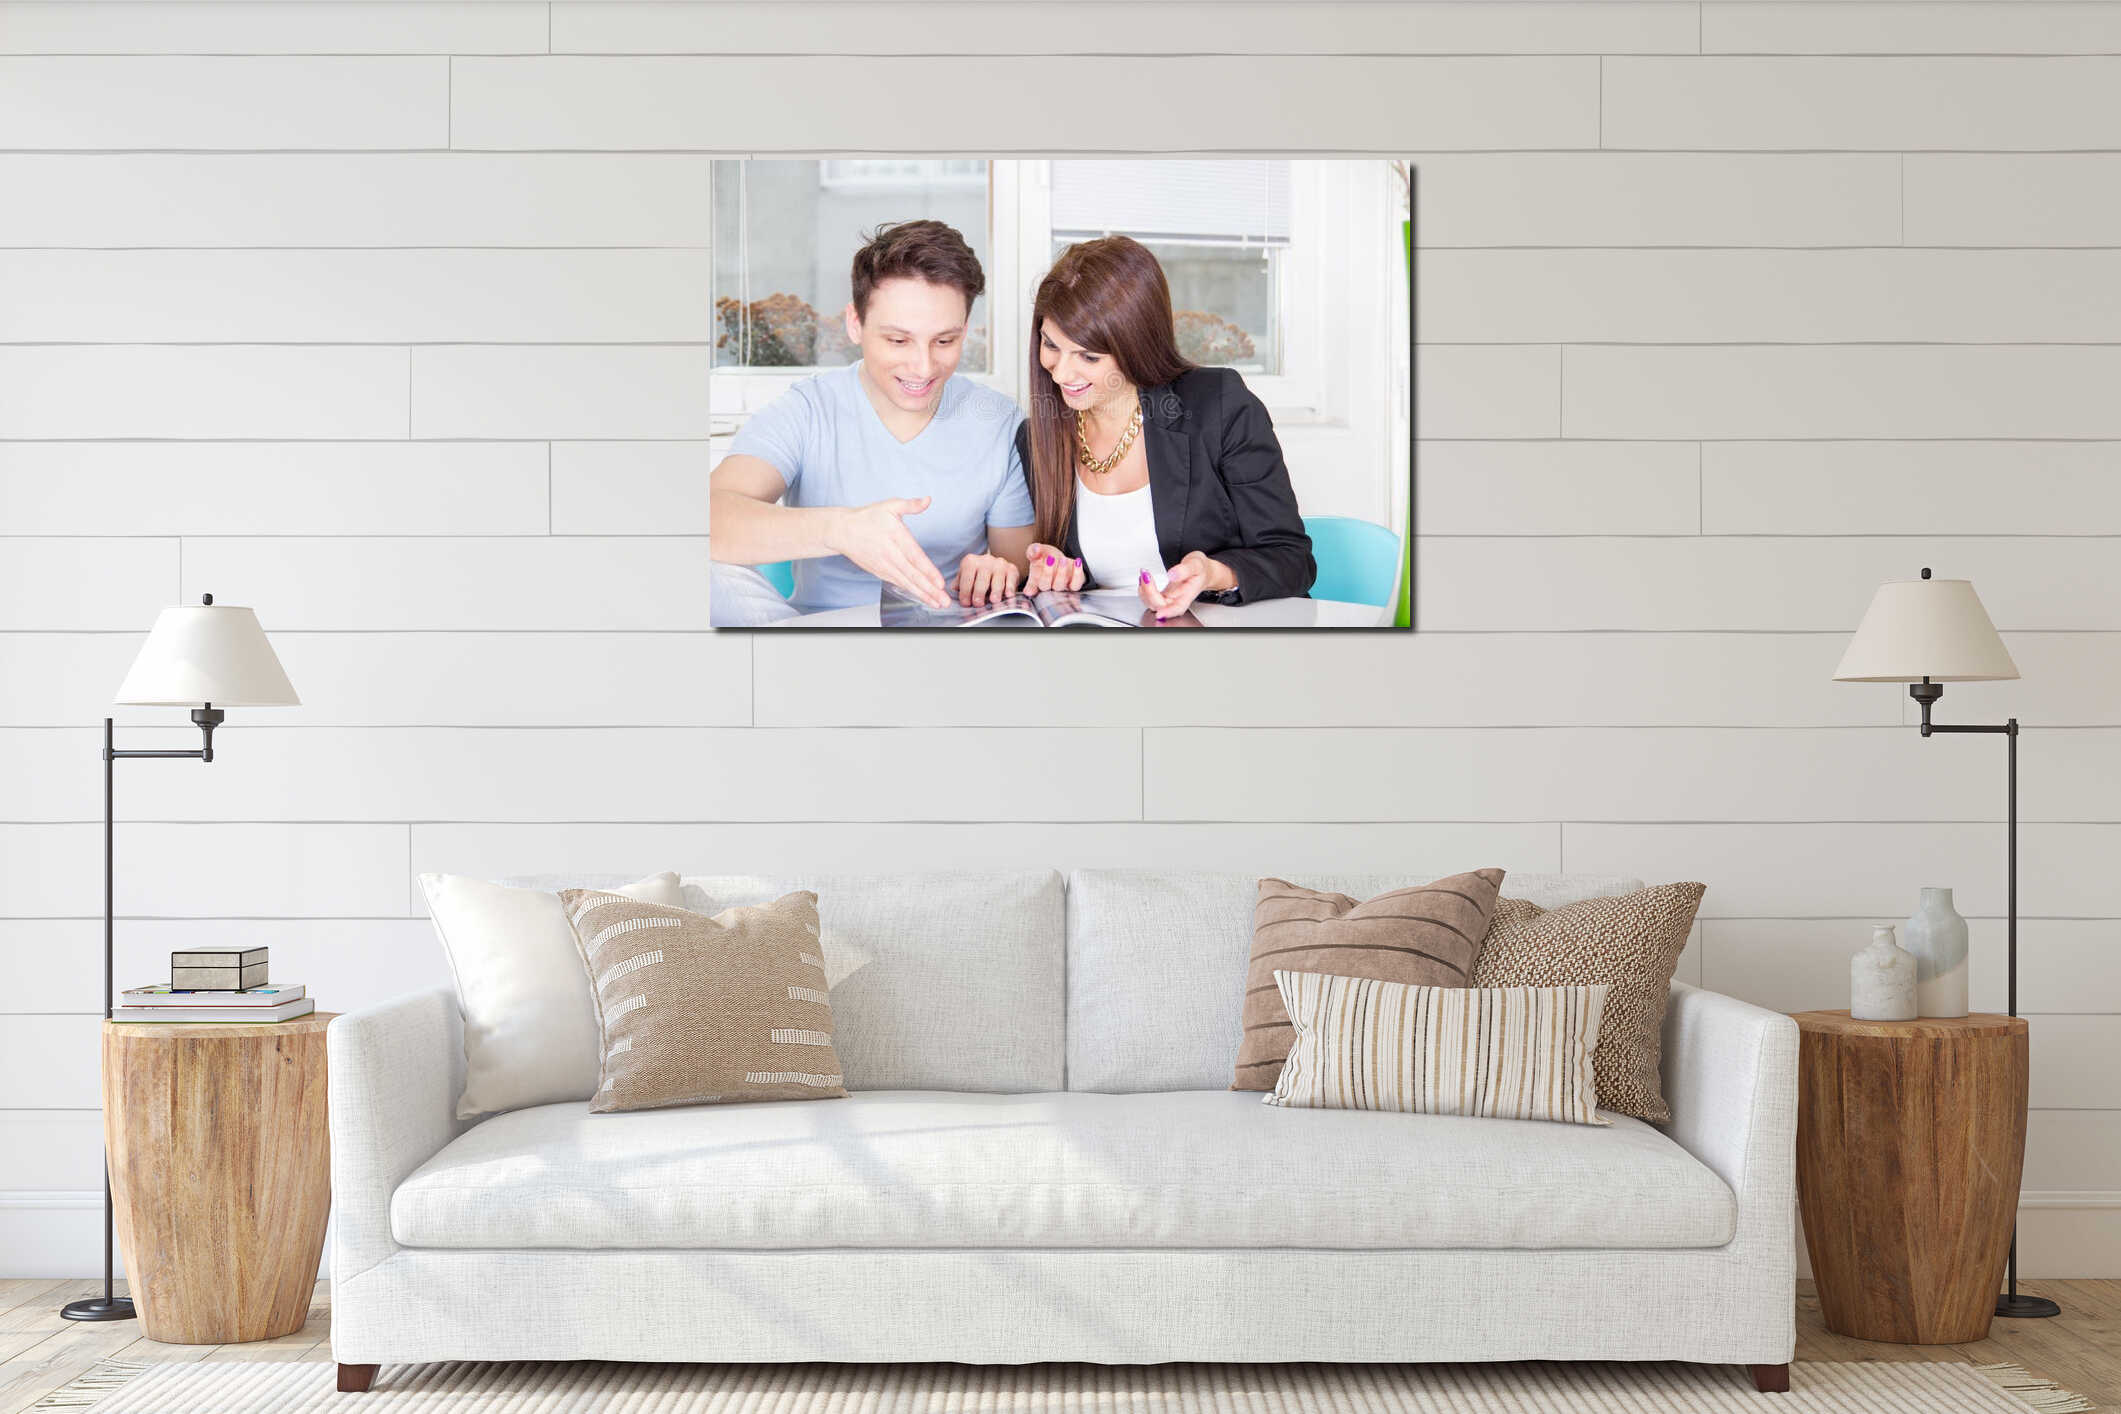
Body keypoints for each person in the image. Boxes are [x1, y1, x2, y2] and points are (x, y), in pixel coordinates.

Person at [709, 220, 1037, 624]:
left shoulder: (1000, 423)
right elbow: (707, 516)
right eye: (898, 340)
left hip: (945, 636)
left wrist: (1001, 571)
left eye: (945, 341)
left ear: (965, 330)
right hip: (820, 637)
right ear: (855, 324)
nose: (923, 366)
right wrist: (842, 530)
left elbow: (1016, 562)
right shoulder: (808, 410)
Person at [1015, 235, 1314, 619]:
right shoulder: (1036, 439)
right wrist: (1058, 571)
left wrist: (1214, 573)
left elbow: (1292, 559)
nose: (1062, 372)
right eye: (1050, 344)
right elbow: (1079, 578)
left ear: (1135, 344)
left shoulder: (1218, 406)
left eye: (1088, 356)